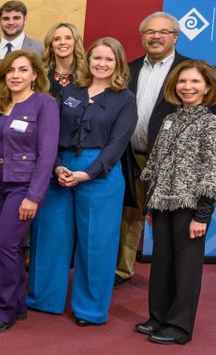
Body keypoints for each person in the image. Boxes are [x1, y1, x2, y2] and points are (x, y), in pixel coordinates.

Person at [28, 37, 137, 325]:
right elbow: (49, 131)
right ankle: (43, 298)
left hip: (100, 173)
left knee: (96, 243)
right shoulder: (69, 90)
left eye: (108, 59)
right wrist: (56, 166)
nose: (101, 64)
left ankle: (89, 309)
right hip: (61, 167)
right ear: (87, 61)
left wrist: (89, 172)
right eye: (96, 58)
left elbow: (119, 143)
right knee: (49, 235)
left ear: (118, 64)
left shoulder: (125, 98)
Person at [117, 12, 216, 286]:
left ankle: (170, 288)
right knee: (129, 217)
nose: (156, 37)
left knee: (170, 231)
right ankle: (122, 271)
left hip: (174, 169)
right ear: (142, 37)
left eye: (163, 32)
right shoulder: (129, 68)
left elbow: (215, 116)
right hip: (131, 156)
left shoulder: (192, 70)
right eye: (150, 32)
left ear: (175, 36)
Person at [137, 59, 216, 345]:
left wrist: (203, 215)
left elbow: (214, 170)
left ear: (207, 88)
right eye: (182, 81)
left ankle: (179, 325)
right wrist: (151, 204)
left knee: (186, 265)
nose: (187, 87)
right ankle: (158, 316)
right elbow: (156, 163)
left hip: (192, 205)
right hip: (163, 203)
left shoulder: (211, 123)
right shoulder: (170, 120)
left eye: (194, 82)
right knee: (162, 261)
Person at [0, 50, 59, 334]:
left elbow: (47, 154)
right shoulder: (0, 104)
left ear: (35, 74)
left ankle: (4, 310)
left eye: (23, 70)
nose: (16, 75)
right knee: (9, 246)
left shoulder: (44, 105)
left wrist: (34, 195)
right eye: (11, 70)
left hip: (23, 184)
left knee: (2, 244)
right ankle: (18, 303)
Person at [42, 23, 86, 98]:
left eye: (68, 38)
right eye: (57, 39)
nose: (62, 42)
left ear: (75, 43)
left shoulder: (86, 75)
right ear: (51, 45)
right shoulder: (40, 74)